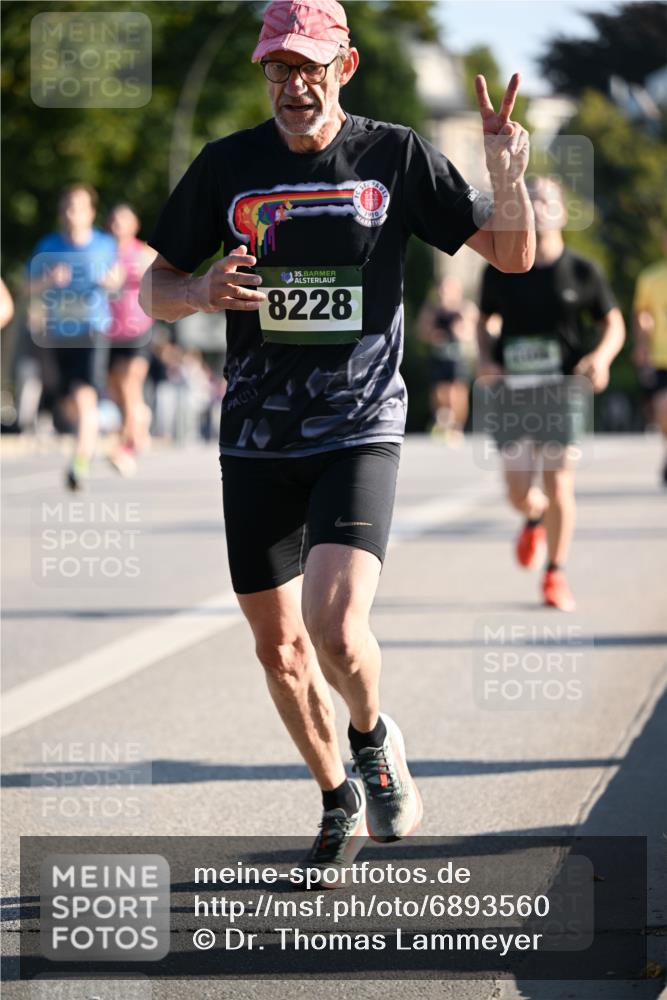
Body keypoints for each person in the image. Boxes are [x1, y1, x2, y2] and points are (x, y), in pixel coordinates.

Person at [141, 0, 534, 881]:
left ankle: (371, 736)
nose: (292, 82)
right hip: (253, 437)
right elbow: (152, 289)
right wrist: (200, 293)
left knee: (335, 628)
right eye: (277, 66)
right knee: (277, 650)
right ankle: (334, 796)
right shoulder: (225, 167)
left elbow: (509, 256)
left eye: (309, 63)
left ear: (345, 66)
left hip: (359, 426)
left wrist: (505, 174)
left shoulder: (393, 155)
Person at [477, 177, 625, 611]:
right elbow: (484, 321)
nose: (539, 207)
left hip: (562, 389)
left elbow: (612, 323)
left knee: (559, 481)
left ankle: (555, 574)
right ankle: (532, 517)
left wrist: (601, 359)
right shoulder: (500, 267)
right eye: (530, 200)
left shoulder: (583, 271)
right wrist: (486, 359)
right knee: (518, 489)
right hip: (513, 390)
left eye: (547, 201)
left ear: (562, 211)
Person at [28, 184, 121, 490]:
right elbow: (28, 289)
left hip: (92, 328)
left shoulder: (106, 245)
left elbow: (119, 281)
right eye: (67, 206)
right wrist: (48, 280)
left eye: (78, 207)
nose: (72, 213)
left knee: (84, 396)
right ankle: (100, 429)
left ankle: (79, 463)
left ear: (90, 212)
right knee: (66, 401)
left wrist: (111, 282)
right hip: (59, 331)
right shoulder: (48, 245)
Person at [106, 203, 156, 475]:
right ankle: (139, 419)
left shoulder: (143, 252)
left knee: (129, 385)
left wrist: (135, 276)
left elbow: (159, 280)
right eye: (113, 219)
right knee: (115, 391)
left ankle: (124, 448)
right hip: (109, 330)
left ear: (134, 225)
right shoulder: (103, 252)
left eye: (123, 220)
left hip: (138, 328)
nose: (117, 224)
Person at [417, 275, 477, 444]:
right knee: (439, 392)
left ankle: (457, 426)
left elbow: (473, 332)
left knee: (457, 392)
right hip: (439, 357)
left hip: (458, 357)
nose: (444, 293)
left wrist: (461, 332)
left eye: (447, 289)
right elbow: (422, 331)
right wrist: (433, 336)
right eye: (441, 289)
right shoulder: (433, 309)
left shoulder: (465, 308)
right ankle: (443, 422)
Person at [633, 230, 667, 485]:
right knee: (663, 409)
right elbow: (641, 313)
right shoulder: (651, 277)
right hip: (661, 356)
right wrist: (642, 344)